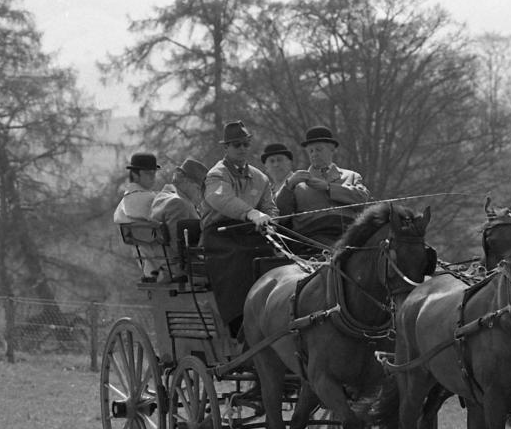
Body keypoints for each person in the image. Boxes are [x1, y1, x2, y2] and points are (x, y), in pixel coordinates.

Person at [199, 120, 279, 338]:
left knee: (274, 259)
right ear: (226, 148)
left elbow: (269, 206)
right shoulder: (217, 175)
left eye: (245, 144)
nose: (242, 148)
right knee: (241, 260)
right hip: (220, 236)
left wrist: (271, 222)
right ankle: (238, 321)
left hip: (252, 234)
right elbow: (222, 199)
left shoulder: (260, 178)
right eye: (236, 145)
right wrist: (251, 213)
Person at [274, 126, 372, 253]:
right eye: (311, 151)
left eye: (319, 149)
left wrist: (328, 187)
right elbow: (278, 215)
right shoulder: (297, 183)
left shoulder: (351, 176)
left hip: (348, 236)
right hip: (310, 241)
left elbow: (362, 199)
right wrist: (288, 186)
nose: (314, 154)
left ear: (332, 149)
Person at [149, 157, 208, 280]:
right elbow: (178, 247)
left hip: (166, 262)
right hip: (180, 266)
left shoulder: (163, 196)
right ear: (186, 181)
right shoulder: (178, 203)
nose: (201, 194)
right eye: (198, 188)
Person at [114, 152, 161, 278]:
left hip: (148, 263)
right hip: (162, 260)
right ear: (135, 174)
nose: (152, 177)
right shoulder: (144, 199)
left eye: (154, 173)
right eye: (147, 173)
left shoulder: (128, 199)